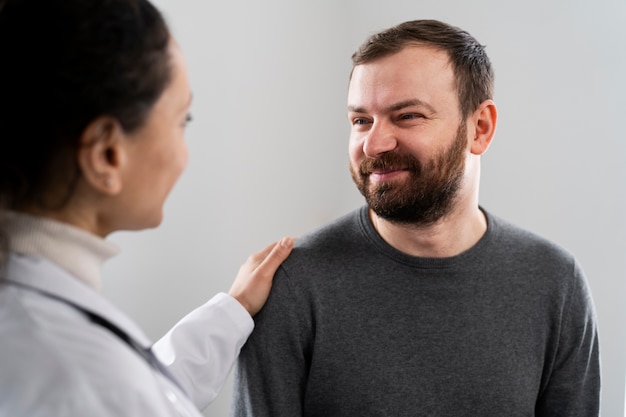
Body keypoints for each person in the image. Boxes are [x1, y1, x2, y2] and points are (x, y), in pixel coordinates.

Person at [232, 19, 600, 417]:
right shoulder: (293, 286)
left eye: (407, 116)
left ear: (480, 127)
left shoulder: (554, 281)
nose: (374, 143)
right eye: (360, 120)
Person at [0, 0, 292, 416]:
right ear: (107, 154)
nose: (184, 154)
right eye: (182, 120)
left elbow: (140, 391)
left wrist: (234, 310)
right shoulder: (70, 375)